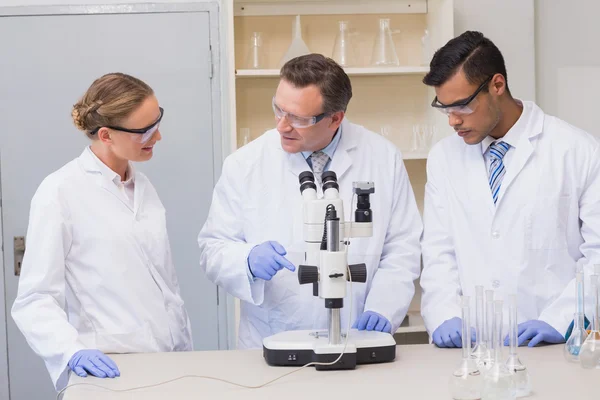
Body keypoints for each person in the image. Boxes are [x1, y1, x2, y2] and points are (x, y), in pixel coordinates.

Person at [198, 54, 422, 348]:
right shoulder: (245, 163)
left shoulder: (382, 157)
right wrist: (246, 260)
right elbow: (213, 248)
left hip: (358, 335)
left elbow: (402, 246)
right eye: (278, 109)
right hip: (272, 339)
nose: (282, 126)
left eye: (298, 119)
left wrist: (384, 306)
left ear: (335, 118)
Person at [11, 73, 193, 390]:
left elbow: (161, 282)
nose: (158, 136)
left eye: (157, 121)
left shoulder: (143, 187)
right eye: (145, 131)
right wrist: (71, 351)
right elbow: (35, 298)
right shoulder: (60, 191)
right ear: (106, 135)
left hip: (168, 360)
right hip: (108, 368)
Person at [419, 31, 600, 348]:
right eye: (445, 108)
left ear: (497, 85)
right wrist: (443, 313)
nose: (453, 122)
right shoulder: (443, 158)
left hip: (552, 342)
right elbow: (438, 251)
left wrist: (561, 319)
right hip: (471, 345)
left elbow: (597, 254)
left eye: (461, 106)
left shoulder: (577, 150)